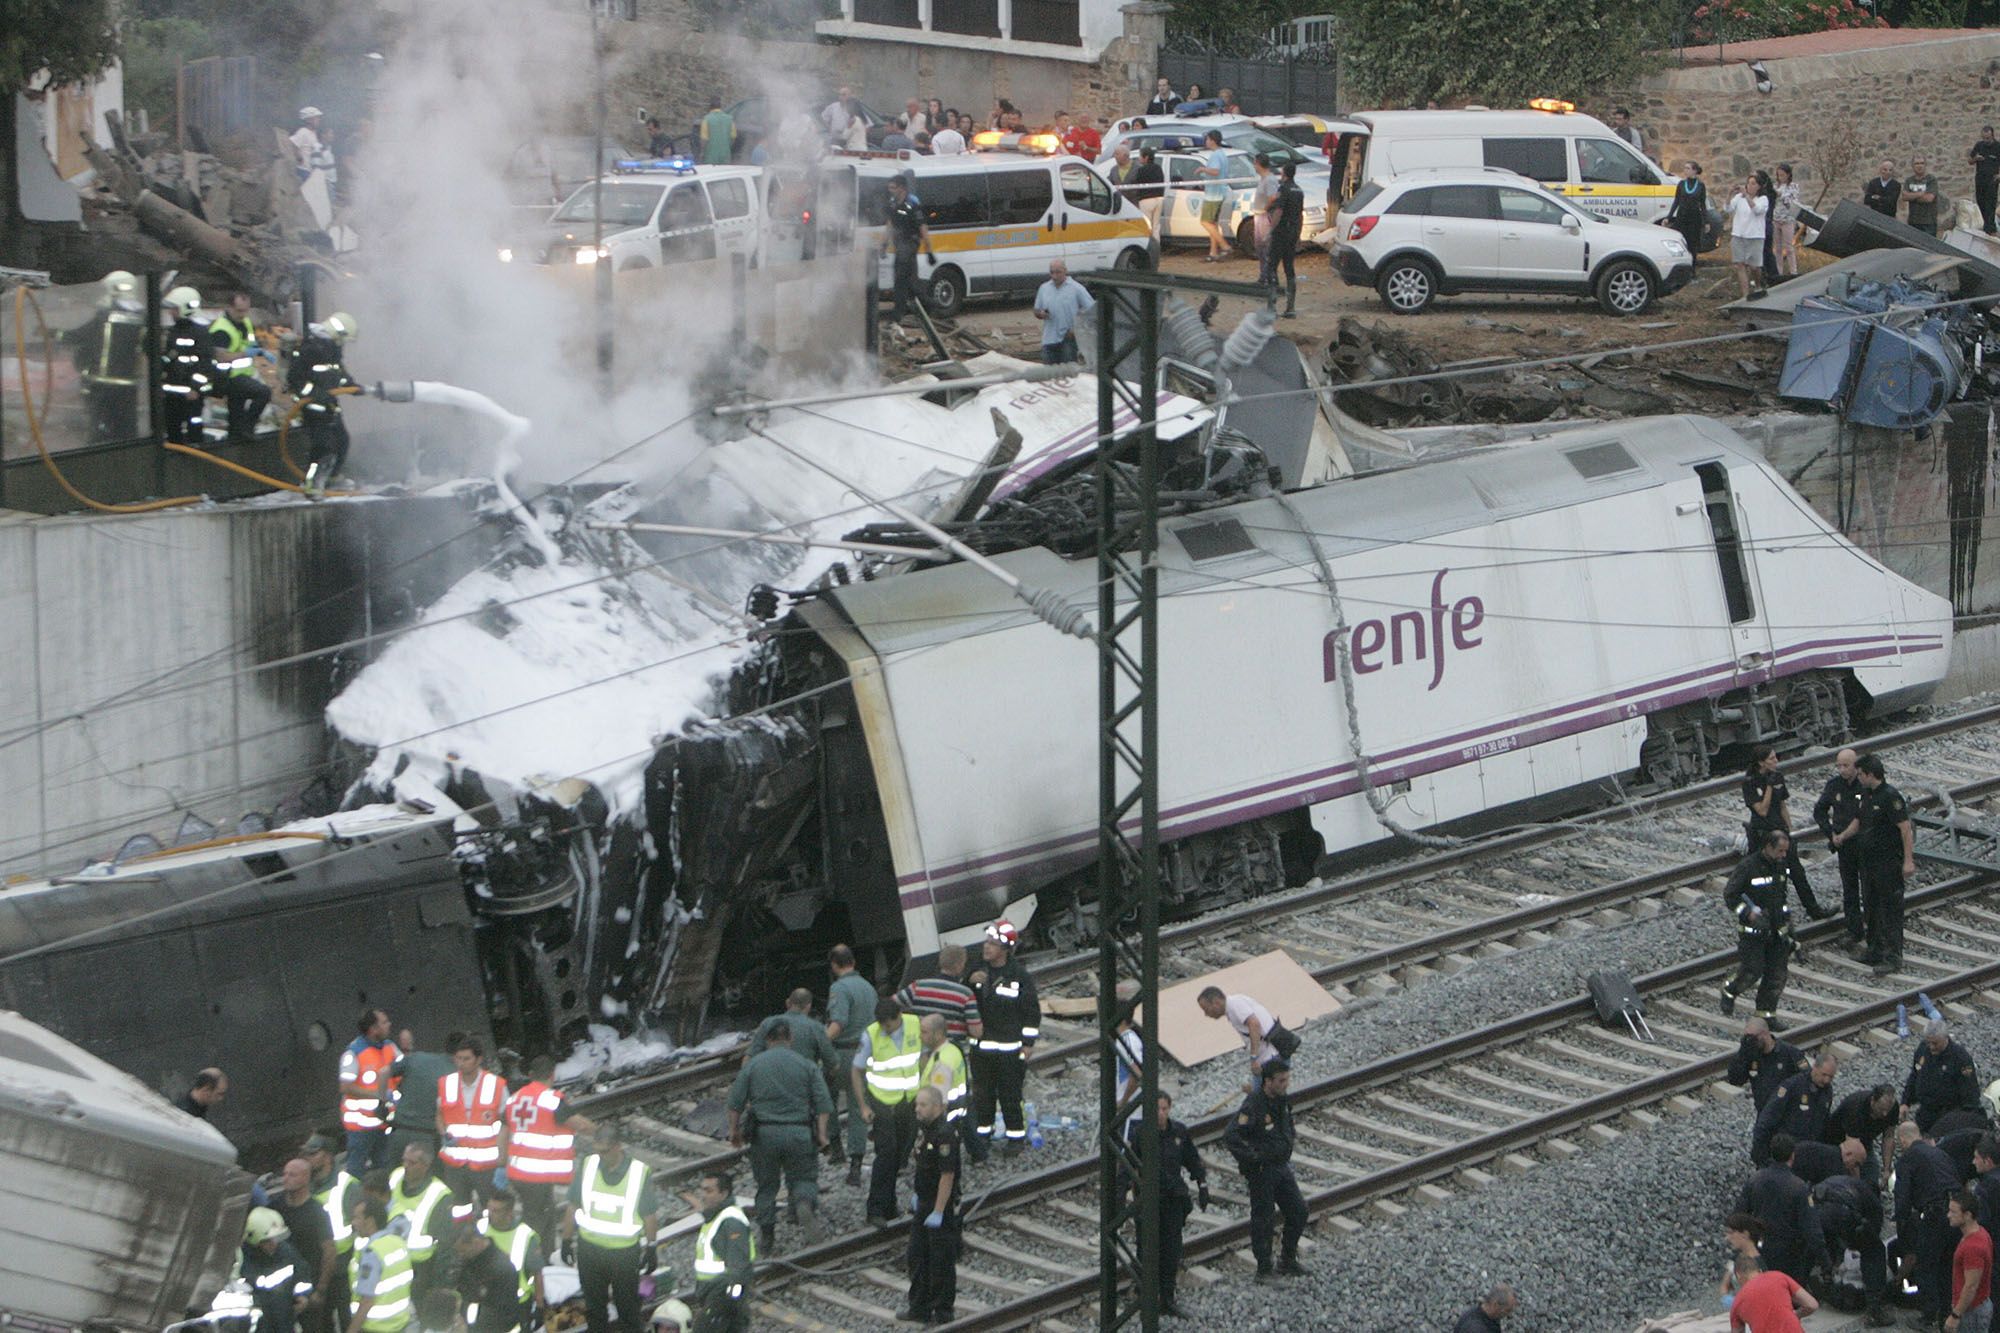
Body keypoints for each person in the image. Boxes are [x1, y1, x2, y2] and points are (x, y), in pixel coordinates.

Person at [728, 1019, 832, 1250]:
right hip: (799, 1133)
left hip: (765, 1135)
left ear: (768, 1040)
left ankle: (767, 1237)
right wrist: (822, 1135)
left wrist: (734, 1132)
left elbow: (735, 1103)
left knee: (766, 1186)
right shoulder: (806, 1065)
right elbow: (824, 1104)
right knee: (804, 1178)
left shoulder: (754, 1066)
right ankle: (803, 1203)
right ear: (790, 1040)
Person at [564, 1122, 660, 1333]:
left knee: (628, 1309)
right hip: (590, 1250)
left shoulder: (637, 1172)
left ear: (617, 1147)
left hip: (623, 1254)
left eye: (605, 1151)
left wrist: (652, 1246)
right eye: (597, 1151)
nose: (600, 1156)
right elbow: (573, 1204)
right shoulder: (589, 1165)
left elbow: (649, 1214)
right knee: (595, 1310)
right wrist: (566, 1240)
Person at [1222, 1057, 1308, 1282]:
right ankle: (1264, 1268)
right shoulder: (1254, 1104)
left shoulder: (1281, 1100)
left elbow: (1285, 1125)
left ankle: (1287, 1259)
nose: (1285, 1084)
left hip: (1280, 1166)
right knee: (1263, 1218)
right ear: (1268, 1081)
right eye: (1281, 1080)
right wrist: (1252, 1158)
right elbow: (1231, 1135)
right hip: (1263, 1170)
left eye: (1287, 1079)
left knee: (1298, 1210)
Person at [968, 918, 1040, 1160]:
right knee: (982, 1095)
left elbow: (1032, 1013)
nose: (986, 947)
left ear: (1005, 949)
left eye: (992, 943)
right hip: (981, 1049)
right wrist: (970, 983)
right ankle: (982, 1136)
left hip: (1011, 1050)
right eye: (986, 942)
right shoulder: (976, 970)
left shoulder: (1019, 976)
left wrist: (1028, 1044)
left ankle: (1015, 1137)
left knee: (1010, 1094)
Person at [498, 1054, 587, 1245]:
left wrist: (501, 1163)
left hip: (519, 1172)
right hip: (536, 1174)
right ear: (552, 1075)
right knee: (536, 1220)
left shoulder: (514, 1099)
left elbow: (503, 1133)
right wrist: (600, 1131)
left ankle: (545, 1257)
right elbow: (578, 1123)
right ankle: (531, 1259)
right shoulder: (550, 1099)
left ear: (530, 1074)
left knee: (544, 1214)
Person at [854, 996, 923, 1226]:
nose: (885, 1029)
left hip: (909, 1101)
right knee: (886, 1155)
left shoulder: (914, 1024)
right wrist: (864, 1106)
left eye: (889, 1025)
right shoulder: (871, 1034)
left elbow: (924, 1055)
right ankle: (875, 1210)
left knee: (899, 1156)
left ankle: (890, 1205)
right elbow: (856, 1071)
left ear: (899, 1017)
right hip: (882, 1103)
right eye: (882, 1024)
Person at [1720, 828, 1799, 1027]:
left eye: (1785, 852)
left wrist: (1788, 926)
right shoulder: (1748, 866)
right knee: (1752, 971)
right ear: (1768, 847)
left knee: (1776, 975)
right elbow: (1731, 896)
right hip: (1753, 933)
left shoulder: (1780, 866)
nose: (1783, 855)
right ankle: (1730, 989)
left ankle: (1766, 1015)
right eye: (1780, 851)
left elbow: (1781, 897)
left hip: (1777, 931)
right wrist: (1748, 913)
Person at [1741, 745, 1830, 919]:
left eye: (1776, 757)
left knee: (1797, 872)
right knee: (1767, 875)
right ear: (1761, 762)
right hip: (1763, 833)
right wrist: (1768, 787)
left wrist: (1789, 829)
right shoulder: (1750, 782)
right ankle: (1768, 912)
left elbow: (1782, 805)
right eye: (1771, 759)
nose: (1776, 761)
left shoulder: (1778, 777)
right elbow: (1762, 810)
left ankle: (1813, 909)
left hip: (1780, 831)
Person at [899, 1086, 961, 1325]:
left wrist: (938, 1210)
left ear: (937, 1106)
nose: (918, 1109)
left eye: (923, 1105)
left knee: (940, 1261)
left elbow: (947, 1175)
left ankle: (942, 1312)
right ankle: (919, 1307)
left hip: (939, 1206)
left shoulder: (944, 1134)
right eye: (917, 1104)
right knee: (917, 1256)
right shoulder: (925, 1132)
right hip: (924, 1203)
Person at [1848, 752, 1914, 975]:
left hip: (1887, 863)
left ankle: (1893, 957)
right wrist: (1841, 837)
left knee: (1891, 910)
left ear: (1869, 774)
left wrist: (1908, 861)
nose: (1858, 779)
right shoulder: (1866, 795)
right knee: (1872, 907)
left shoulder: (1890, 797)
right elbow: (1859, 822)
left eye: (1860, 775)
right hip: (1869, 863)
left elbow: (1905, 829)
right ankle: (1874, 950)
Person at [1737, 1133, 1828, 1281]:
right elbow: (1811, 1228)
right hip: (1789, 1255)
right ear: (1792, 1156)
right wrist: (1825, 1261)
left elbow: (1739, 1216)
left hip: (1760, 1247)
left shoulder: (1754, 1180)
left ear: (1771, 1153)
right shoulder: (1799, 1187)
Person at [1812, 1167, 1896, 1327]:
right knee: (1874, 1251)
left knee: (1822, 1242)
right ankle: (1874, 1310)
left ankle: (1819, 1285)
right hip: (1843, 1211)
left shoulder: (1845, 1181)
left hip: (1818, 1206)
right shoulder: (1873, 1202)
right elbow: (1873, 1232)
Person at [437, 1035, 508, 1222]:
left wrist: (502, 1160)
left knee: (491, 1211)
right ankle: (464, 1242)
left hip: (486, 1165)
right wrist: (444, 1133)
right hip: (455, 1163)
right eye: (458, 1059)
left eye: (466, 1059)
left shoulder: (495, 1085)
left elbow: (506, 1124)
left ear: (479, 1059)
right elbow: (439, 1115)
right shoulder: (446, 1083)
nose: (461, 1063)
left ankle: (489, 1244)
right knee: (458, 1211)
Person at [824, 943, 879, 1185]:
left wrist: (820, 1043)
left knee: (828, 1101)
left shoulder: (839, 989)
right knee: (859, 1107)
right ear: (853, 962)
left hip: (842, 1054)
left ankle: (836, 1149)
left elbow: (838, 1023)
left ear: (834, 965)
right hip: (866, 1052)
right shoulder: (868, 987)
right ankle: (856, 1165)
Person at [1900, 1119, 1963, 1328]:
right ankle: (1946, 1313)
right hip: (1956, 1212)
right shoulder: (1941, 1153)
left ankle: (1927, 1317)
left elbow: (1902, 1197)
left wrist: (1903, 1229)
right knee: (1947, 1265)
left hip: (1934, 1214)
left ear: (1903, 1140)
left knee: (1925, 1265)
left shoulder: (1908, 1157)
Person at [288, 311, 359, 496]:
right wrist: (315, 395)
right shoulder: (310, 348)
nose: (343, 345)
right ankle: (311, 484)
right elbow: (294, 380)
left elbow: (338, 372)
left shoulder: (332, 349)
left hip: (330, 404)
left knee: (343, 440)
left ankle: (332, 478)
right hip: (313, 407)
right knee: (323, 446)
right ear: (338, 334)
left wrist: (352, 386)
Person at [72, 269, 146, 442]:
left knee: (101, 428)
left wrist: (53, 333)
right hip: (129, 383)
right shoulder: (142, 317)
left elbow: (82, 335)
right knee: (126, 427)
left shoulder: (105, 316)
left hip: (103, 383)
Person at [1154, 1092, 1209, 1317]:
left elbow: (1192, 1159)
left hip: (1173, 1199)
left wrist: (1202, 1184)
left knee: (1172, 1250)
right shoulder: (1141, 1135)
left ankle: (1167, 1297)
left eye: (1165, 1109)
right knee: (1147, 1248)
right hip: (1151, 1200)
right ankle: (1146, 1293)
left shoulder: (1178, 1132)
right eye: (1157, 1109)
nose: (1161, 1114)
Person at [272, 1158, 339, 1333]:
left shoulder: (316, 1212)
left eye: (292, 1175)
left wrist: (320, 1290)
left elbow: (329, 1251)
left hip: (311, 1285)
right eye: (284, 1174)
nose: (285, 1178)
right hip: (283, 1287)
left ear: (305, 1178)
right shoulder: (275, 1207)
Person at [1813, 748, 1868, 952]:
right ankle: (1854, 928)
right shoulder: (1834, 785)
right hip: (1844, 846)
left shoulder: (1863, 786)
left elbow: (1863, 818)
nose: (1842, 769)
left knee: (1869, 886)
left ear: (1856, 766)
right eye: (1839, 765)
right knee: (1849, 888)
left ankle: (1872, 925)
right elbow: (1820, 811)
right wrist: (1830, 834)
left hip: (1862, 843)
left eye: (1846, 765)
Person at [690, 1169, 754, 1333]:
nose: (703, 1195)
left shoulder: (731, 1222)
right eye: (702, 1190)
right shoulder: (715, 1218)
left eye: (709, 1191)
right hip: (712, 1293)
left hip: (721, 1294)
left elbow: (739, 1267)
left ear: (724, 1193)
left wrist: (731, 1298)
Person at [387, 1143, 454, 1297]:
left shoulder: (439, 1194)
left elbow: (444, 1243)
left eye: (412, 1163)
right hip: (389, 1258)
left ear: (425, 1166)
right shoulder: (395, 1176)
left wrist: (439, 1285)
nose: (405, 1166)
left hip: (418, 1268)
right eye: (404, 1160)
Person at [342, 1010, 403, 1177]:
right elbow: (346, 1087)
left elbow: (404, 1070)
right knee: (356, 1170)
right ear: (373, 1029)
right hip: (361, 1126)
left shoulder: (390, 1047)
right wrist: (379, 1095)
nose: (389, 1025)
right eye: (384, 1022)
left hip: (385, 1122)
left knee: (386, 1166)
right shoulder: (354, 1052)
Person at [1752, 1050, 1836, 1167]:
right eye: (1824, 1075)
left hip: (1810, 1153)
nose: (1826, 1080)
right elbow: (1767, 1119)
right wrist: (1760, 1154)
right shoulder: (1792, 1087)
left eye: (1830, 1077)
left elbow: (1824, 1121)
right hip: (1787, 1153)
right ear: (1814, 1068)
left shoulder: (1827, 1091)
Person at [346, 1196, 415, 1333]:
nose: (353, 1223)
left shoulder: (372, 1252)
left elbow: (367, 1300)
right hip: (401, 1323)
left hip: (376, 1327)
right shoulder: (398, 1243)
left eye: (357, 1218)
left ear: (370, 1221)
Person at [896, 945, 983, 1052]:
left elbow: (891, 1006)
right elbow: (976, 1031)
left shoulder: (917, 987)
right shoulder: (965, 994)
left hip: (921, 1050)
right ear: (960, 965)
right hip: (952, 1052)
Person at [476, 1192, 545, 1321]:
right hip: (486, 1300)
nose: (490, 1214)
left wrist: (540, 1305)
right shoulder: (480, 1228)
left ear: (509, 1213)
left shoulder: (525, 1235)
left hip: (515, 1303)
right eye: (489, 1209)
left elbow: (537, 1273)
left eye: (495, 1211)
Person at [244, 1206, 313, 1333]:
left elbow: (302, 1273)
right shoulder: (245, 1262)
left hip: (286, 1321)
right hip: (260, 1325)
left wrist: (302, 1296)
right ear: (254, 1239)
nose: (274, 1244)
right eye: (268, 1241)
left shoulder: (287, 1252)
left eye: (276, 1238)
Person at [388, 1029, 454, 1162]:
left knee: (395, 1175)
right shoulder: (454, 1072)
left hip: (400, 1129)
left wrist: (382, 1098)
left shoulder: (415, 1058)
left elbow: (383, 1072)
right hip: (426, 1135)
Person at [160, 286, 214, 446]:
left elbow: (205, 365)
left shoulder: (201, 333)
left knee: (194, 423)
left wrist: (195, 388)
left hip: (191, 394)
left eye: (174, 309)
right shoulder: (172, 332)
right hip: (171, 391)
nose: (171, 313)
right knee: (172, 425)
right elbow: (167, 360)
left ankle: (195, 449)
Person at [1908, 1021, 1984, 1134]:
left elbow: (1970, 1094)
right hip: (1925, 1111)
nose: (1931, 1047)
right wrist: (1906, 1102)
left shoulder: (1960, 1058)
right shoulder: (1923, 1049)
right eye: (1929, 1043)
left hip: (1947, 1115)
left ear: (1945, 1038)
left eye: (1935, 1043)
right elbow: (1914, 1075)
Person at [1198, 987, 1294, 1073]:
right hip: (1272, 1053)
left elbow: (1254, 1024)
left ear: (1216, 1002)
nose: (1206, 1014)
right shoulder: (1235, 1004)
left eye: (1206, 1009)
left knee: (1266, 1091)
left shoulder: (1234, 1005)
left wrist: (1254, 1057)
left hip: (1270, 1056)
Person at [1725, 1017, 1809, 1113]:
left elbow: (1807, 1078)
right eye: (1746, 1037)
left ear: (1764, 1034)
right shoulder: (1751, 1054)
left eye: (1752, 1037)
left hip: (1787, 1114)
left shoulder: (1789, 1053)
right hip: (1764, 1114)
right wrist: (1742, 1054)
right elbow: (1735, 1080)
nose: (1749, 1041)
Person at [450, 1224, 522, 1333]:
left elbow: (501, 1313)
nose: (461, 1255)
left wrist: (470, 1329)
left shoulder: (502, 1269)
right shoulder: (471, 1261)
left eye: (464, 1251)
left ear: (476, 1242)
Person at [881, 174, 932, 324]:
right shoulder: (893, 203)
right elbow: (890, 225)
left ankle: (897, 315)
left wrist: (929, 250)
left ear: (902, 188)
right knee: (911, 282)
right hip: (900, 246)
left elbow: (923, 227)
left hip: (910, 245)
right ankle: (930, 306)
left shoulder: (912, 203)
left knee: (900, 279)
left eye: (892, 188)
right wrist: (884, 245)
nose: (890, 190)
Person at [751, 988, 840, 1072]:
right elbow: (833, 1064)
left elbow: (750, 1057)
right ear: (809, 1006)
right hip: (803, 1082)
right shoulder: (816, 1027)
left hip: (771, 1082)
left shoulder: (767, 1023)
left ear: (787, 1003)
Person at [1827, 1082, 1899, 1184]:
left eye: (1887, 1110)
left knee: (1872, 1177)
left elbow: (1889, 1137)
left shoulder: (1892, 1108)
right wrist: (1858, 1185)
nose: (1885, 1114)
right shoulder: (1855, 1108)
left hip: (1865, 1141)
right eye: (1881, 1109)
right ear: (1873, 1100)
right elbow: (1851, 1152)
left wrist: (1887, 1169)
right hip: (1838, 1141)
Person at [1728, 1252, 1818, 1333]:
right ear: (1759, 1270)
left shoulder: (1737, 1303)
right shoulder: (1778, 1276)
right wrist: (1796, 1315)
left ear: (1738, 1275)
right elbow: (1812, 1305)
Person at [1032, 259, 1095, 365]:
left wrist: (1076, 330)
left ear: (1065, 271)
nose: (1054, 276)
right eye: (1052, 272)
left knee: (1068, 374)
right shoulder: (1044, 288)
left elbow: (1092, 311)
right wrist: (1040, 313)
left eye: (1058, 272)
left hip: (1068, 340)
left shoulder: (1076, 288)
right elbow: (1036, 310)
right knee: (1048, 374)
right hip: (1049, 339)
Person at [1950, 1187, 1995, 1333]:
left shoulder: (1973, 1247)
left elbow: (1971, 1286)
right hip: (1975, 1308)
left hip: (1971, 1313)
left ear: (1967, 1215)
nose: (1948, 1215)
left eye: (1953, 1212)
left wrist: (1955, 1315)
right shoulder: (1980, 1233)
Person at [916, 1013, 969, 1130]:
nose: (920, 1036)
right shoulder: (952, 1050)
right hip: (956, 1117)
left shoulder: (942, 1064)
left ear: (938, 1034)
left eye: (924, 1032)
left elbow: (939, 1103)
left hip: (942, 1125)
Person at [1723, 172, 1770, 301]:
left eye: (1753, 184)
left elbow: (1757, 210)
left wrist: (1747, 197)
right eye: (1748, 183)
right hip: (1738, 234)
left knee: (1754, 266)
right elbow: (1728, 209)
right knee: (1740, 265)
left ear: (1759, 186)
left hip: (1755, 236)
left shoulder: (1763, 199)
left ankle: (1758, 284)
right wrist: (1729, 194)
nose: (1750, 186)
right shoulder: (1739, 198)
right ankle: (1745, 295)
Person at [1266, 162, 1304, 318]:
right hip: (1293, 232)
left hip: (1281, 232)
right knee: (1289, 268)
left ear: (1284, 173)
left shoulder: (1284, 189)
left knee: (1272, 266)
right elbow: (1300, 215)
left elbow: (1279, 211)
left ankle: (1272, 307)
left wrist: (1270, 230)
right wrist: (1298, 235)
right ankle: (1290, 307)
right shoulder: (1299, 190)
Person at [1664, 161, 1708, 268]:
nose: (1685, 170)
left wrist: (1706, 221)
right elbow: (1676, 201)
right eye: (1685, 168)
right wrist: (1669, 217)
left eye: (1688, 168)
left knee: (1693, 244)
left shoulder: (1701, 186)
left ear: (1694, 171)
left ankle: (1692, 267)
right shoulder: (1682, 184)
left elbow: (1702, 204)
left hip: (1694, 218)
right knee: (1681, 241)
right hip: (1682, 217)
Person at [1196, 130, 1232, 262]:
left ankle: (1224, 245)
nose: (1206, 142)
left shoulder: (1216, 156)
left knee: (1205, 221)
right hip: (1219, 192)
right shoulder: (1222, 154)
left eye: (1207, 139)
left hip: (1213, 195)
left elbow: (1215, 171)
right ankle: (1213, 252)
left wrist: (1203, 169)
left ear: (1212, 140)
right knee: (1213, 223)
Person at [1772, 163, 1802, 277]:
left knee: (1789, 247)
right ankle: (1778, 271)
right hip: (1776, 219)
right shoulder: (1776, 186)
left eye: (1783, 175)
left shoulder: (1793, 187)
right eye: (1779, 175)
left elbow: (1792, 202)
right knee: (1777, 247)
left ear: (1788, 175)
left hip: (1788, 220)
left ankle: (1793, 271)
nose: (1780, 177)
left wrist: (1781, 195)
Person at [1130, 146, 1167, 234]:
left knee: (1147, 226)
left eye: (1140, 156)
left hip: (1146, 200)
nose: (1139, 158)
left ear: (1146, 157)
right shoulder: (1158, 168)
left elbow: (1136, 183)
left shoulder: (1142, 170)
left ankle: (1148, 246)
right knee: (1156, 227)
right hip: (1159, 199)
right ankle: (1156, 245)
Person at [1453, 1282, 1518, 1332]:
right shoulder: (1475, 1328)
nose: (1509, 1314)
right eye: (1508, 1310)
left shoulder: (1475, 1313)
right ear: (1495, 1305)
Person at [292, 108, 336, 182]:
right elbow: (293, 144)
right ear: (308, 120)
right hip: (303, 170)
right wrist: (298, 156)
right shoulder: (303, 131)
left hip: (310, 170)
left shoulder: (313, 133)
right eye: (316, 118)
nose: (319, 120)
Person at [1905, 156, 1944, 236]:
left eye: (1922, 163)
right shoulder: (1909, 180)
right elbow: (1904, 197)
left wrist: (1912, 196)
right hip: (1913, 222)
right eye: (1917, 163)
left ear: (1925, 165)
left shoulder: (1931, 180)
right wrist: (1920, 194)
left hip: (1928, 223)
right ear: (1913, 166)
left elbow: (1929, 198)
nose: (1919, 166)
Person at [1972, 128, 2000, 235]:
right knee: (1981, 202)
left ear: (1992, 136)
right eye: (1984, 138)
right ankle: (1985, 225)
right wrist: (1975, 158)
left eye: (1988, 138)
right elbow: (1970, 160)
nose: (1986, 140)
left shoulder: (1998, 147)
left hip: (1992, 180)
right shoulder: (1979, 145)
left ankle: (1990, 228)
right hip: (1980, 179)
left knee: (1990, 204)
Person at [699, 97, 734, 166]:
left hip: (710, 157)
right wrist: (727, 147)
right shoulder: (730, 119)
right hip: (725, 156)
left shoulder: (706, 119)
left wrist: (702, 153)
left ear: (710, 107)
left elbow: (704, 139)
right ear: (720, 107)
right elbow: (733, 137)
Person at [1976, 1136, 2000, 1235]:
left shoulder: (1985, 1186)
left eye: (1976, 1157)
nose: (1973, 1162)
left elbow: (1983, 1221)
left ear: (1987, 1161)